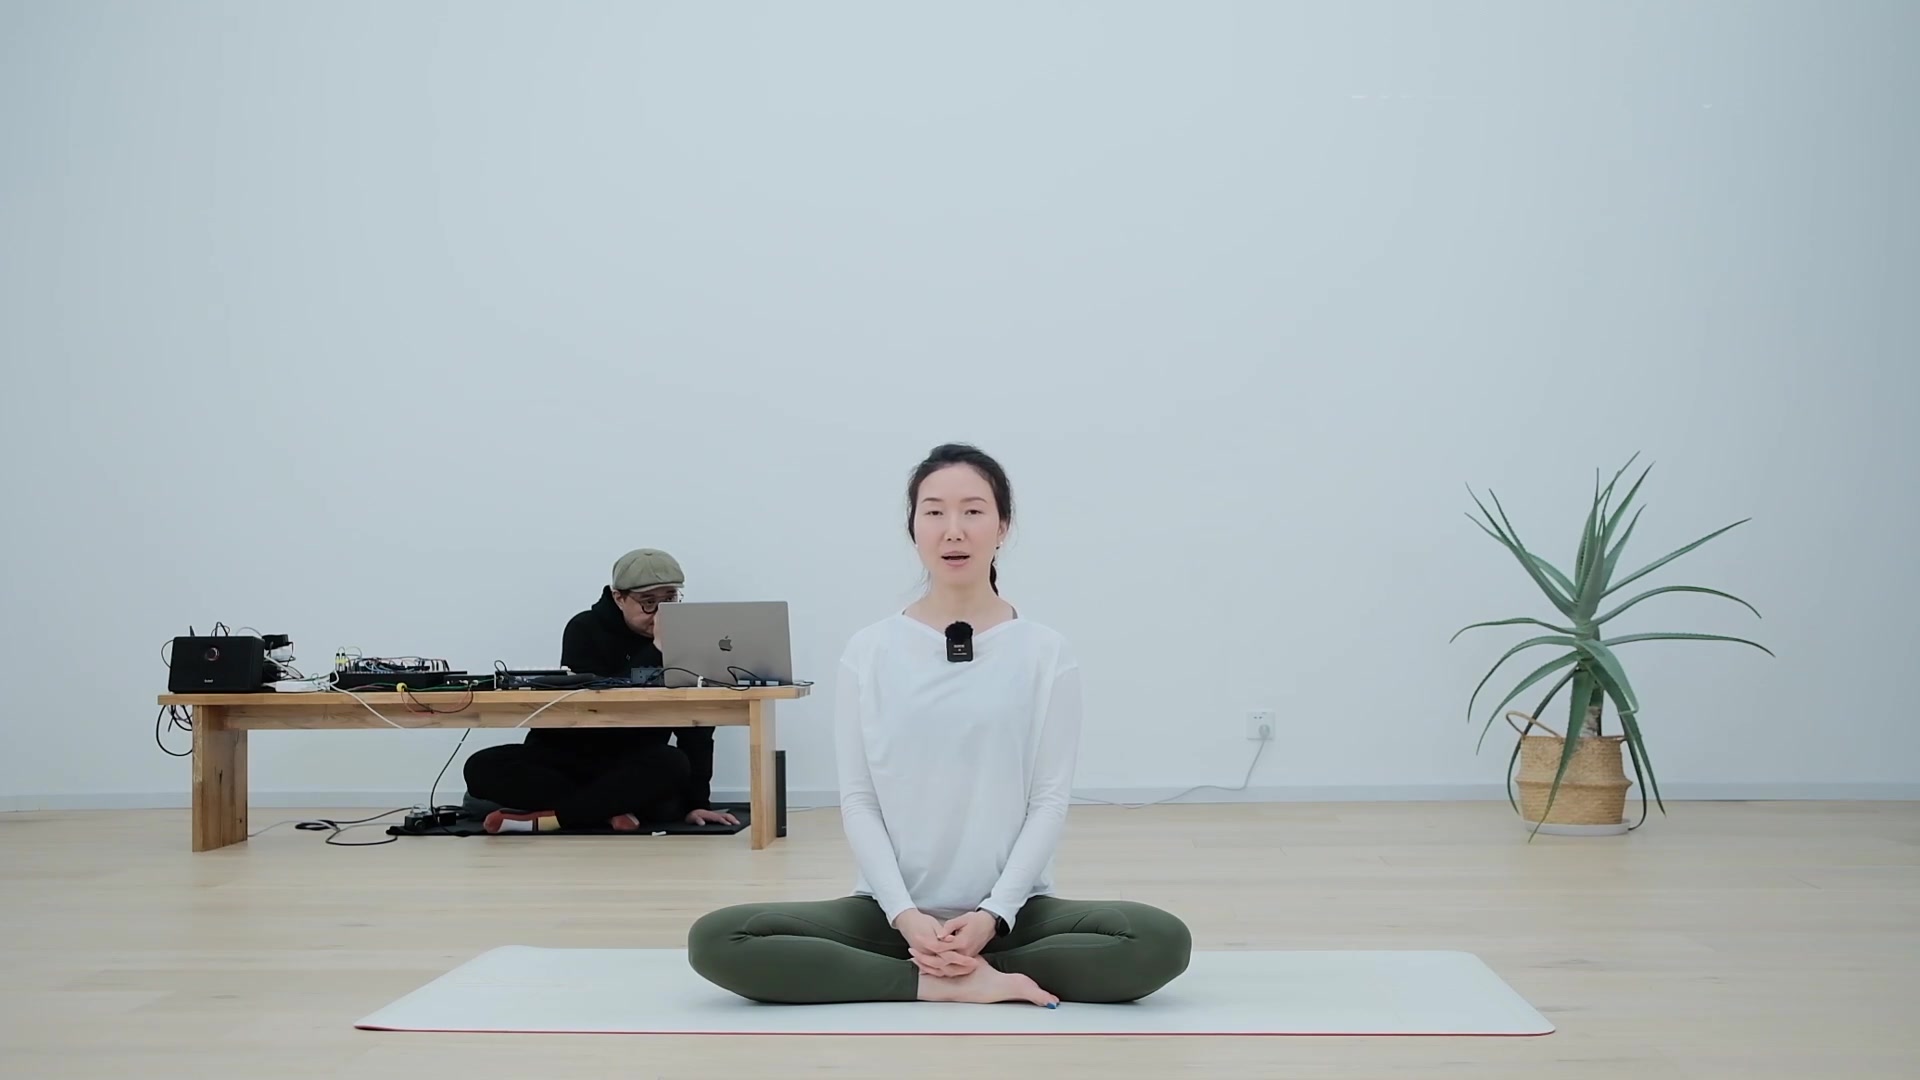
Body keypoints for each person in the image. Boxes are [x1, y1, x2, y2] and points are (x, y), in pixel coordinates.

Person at [686, 444, 1191, 1006]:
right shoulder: (869, 651)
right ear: (914, 527)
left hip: (1014, 915)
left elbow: (1049, 800)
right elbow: (859, 800)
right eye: (934, 511)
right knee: (719, 938)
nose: (954, 530)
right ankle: (942, 979)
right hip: (890, 915)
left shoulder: (1046, 652)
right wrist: (905, 915)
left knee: (1158, 940)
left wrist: (993, 913)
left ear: (1003, 526)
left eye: (973, 511)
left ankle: (969, 966)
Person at [462, 548, 741, 834]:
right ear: (619, 598)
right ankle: (606, 811)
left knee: (673, 766)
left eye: (669, 600)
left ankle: (552, 818)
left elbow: (697, 723)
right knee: (480, 767)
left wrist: (697, 804)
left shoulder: (688, 641)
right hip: (567, 754)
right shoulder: (584, 628)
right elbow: (602, 698)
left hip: (631, 763)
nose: (660, 613)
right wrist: (657, 649)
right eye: (649, 602)